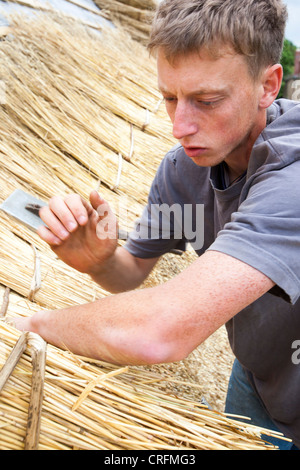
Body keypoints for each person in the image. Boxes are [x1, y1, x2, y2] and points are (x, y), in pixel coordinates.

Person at [14, 0, 300, 449]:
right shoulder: (184, 170)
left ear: (267, 86)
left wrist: (27, 326)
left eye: (206, 101)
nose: (179, 126)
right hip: (259, 378)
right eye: (170, 98)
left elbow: (161, 333)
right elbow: (131, 271)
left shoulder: (292, 181)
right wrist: (99, 260)